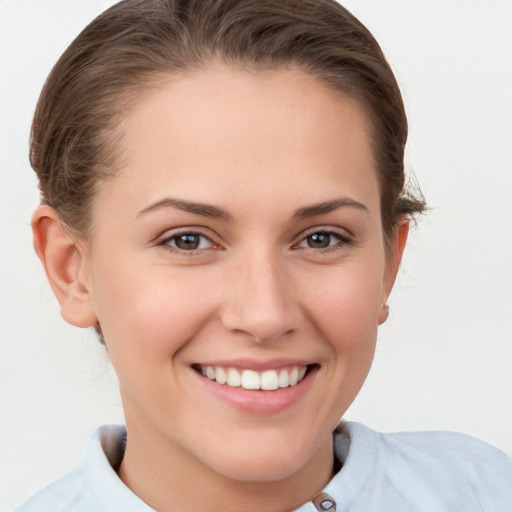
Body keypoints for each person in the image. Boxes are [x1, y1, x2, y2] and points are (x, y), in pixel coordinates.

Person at [14, 0, 512, 511]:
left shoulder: (487, 492)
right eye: (188, 240)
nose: (265, 315)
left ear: (388, 264)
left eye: (322, 238)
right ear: (71, 269)